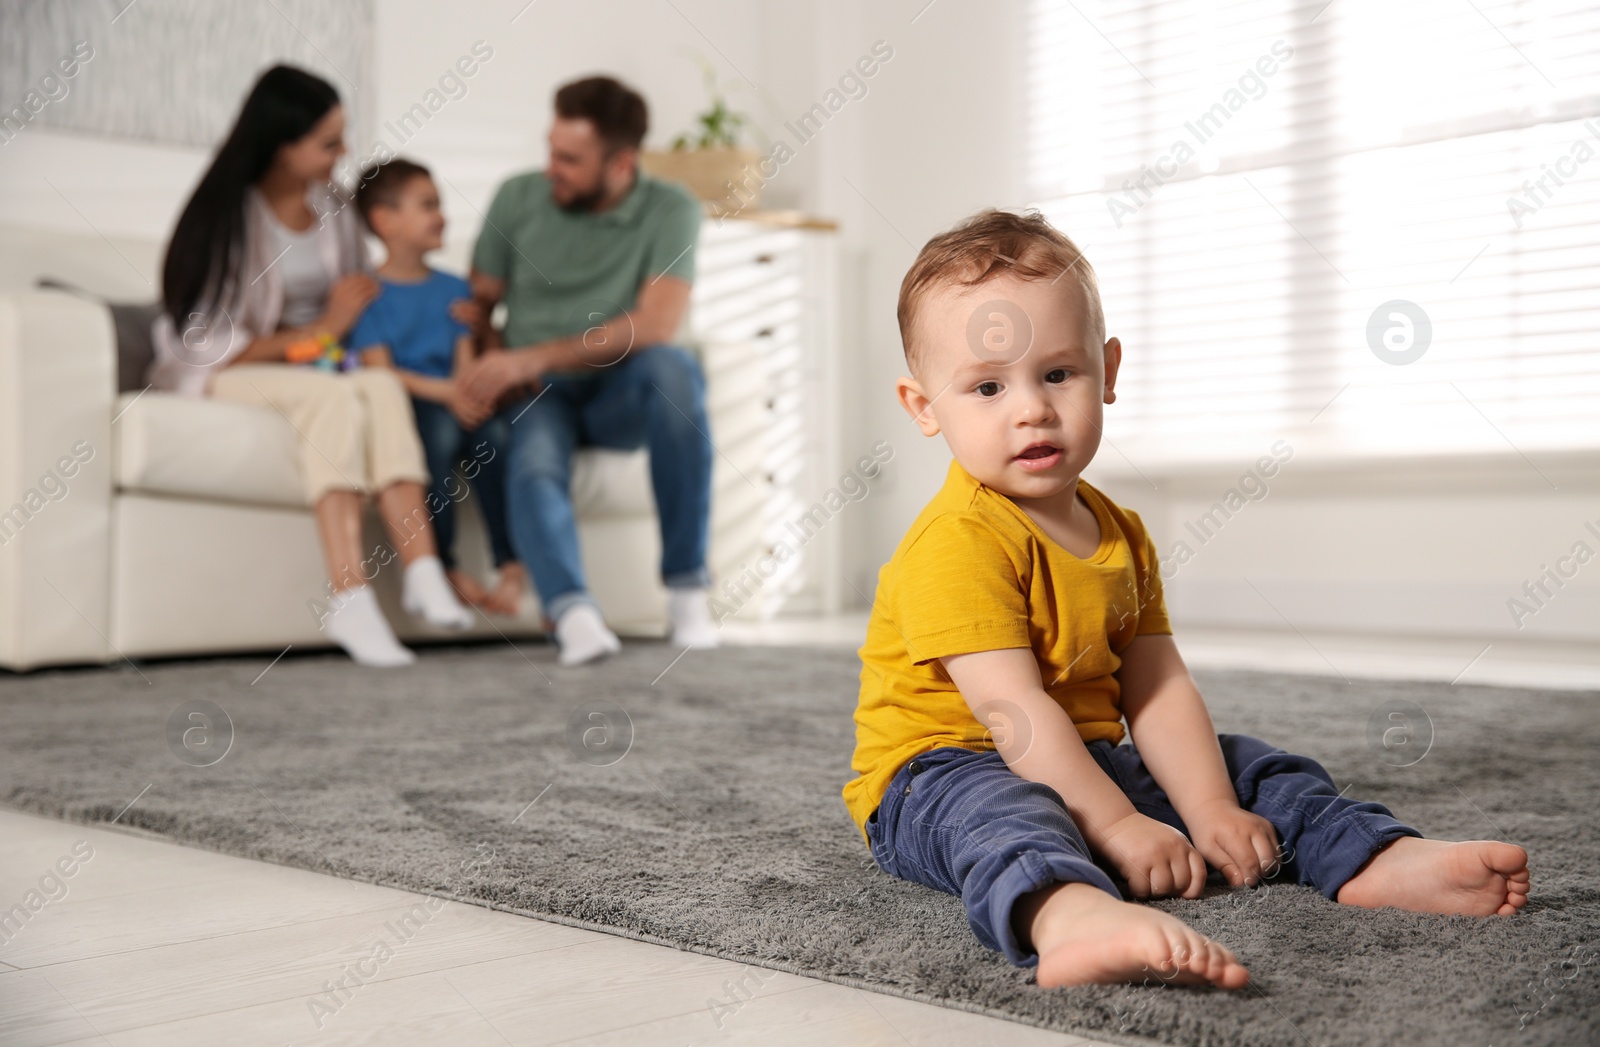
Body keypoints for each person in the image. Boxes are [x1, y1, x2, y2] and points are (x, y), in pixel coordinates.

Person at [843, 209, 1532, 989]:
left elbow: (1159, 685)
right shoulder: (957, 539)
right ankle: (1072, 917)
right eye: (988, 386)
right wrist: (1117, 823)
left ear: (1108, 370)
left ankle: (1372, 856)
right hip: (939, 773)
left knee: (1248, 768)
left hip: (1082, 754)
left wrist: (1204, 806)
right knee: (1005, 815)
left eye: (1058, 374)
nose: (1030, 407)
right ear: (924, 406)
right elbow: (1014, 715)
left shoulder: (1121, 531)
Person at [148, 65, 473, 667]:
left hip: (320, 364)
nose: (343, 153)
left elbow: (363, 296)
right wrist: (317, 332)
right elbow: (206, 345)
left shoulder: (333, 209)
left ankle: (425, 570)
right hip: (236, 370)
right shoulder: (228, 220)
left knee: (377, 384)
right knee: (335, 398)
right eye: (328, 142)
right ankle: (349, 597)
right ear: (282, 147)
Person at [458, 75, 717, 666]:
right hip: (539, 394)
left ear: (621, 163)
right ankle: (574, 614)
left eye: (570, 159)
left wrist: (533, 353)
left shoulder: (670, 209)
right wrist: (498, 361)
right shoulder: (516, 198)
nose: (553, 168)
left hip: (620, 388)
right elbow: (476, 305)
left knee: (674, 370)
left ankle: (686, 593)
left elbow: (656, 323)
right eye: (551, 151)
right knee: (535, 460)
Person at [348, 158, 527, 616]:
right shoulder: (367, 294)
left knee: (496, 436)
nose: (441, 215)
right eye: (427, 205)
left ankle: (511, 564)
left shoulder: (455, 289)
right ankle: (442, 564)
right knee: (441, 435)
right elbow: (380, 372)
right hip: (411, 407)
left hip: (453, 398)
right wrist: (449, 396)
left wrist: (465, 394)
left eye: (440, 204)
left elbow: (463, 363)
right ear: (385, 221)